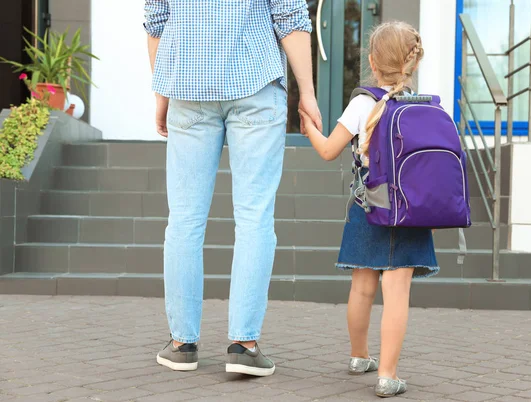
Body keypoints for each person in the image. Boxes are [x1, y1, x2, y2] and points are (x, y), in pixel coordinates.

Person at [144, 0, 322, 376]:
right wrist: (306, 92)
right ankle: (244, 345)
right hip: (255, 85)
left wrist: (161, 96)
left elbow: (157, 21)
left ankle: (182, 345)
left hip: (187, 87)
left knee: (185, 221)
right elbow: (290, 17)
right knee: (255, 217)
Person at [299, 21, 439, 397]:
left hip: (368, 207)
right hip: (410, 212)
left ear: (373, 63)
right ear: (411, 64)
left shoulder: (362, 103)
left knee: (362, 288)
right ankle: (387, 375)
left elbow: (329, 150)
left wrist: (307, 125)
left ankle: (359, 356)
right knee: (397, 293)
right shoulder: (421, 107)